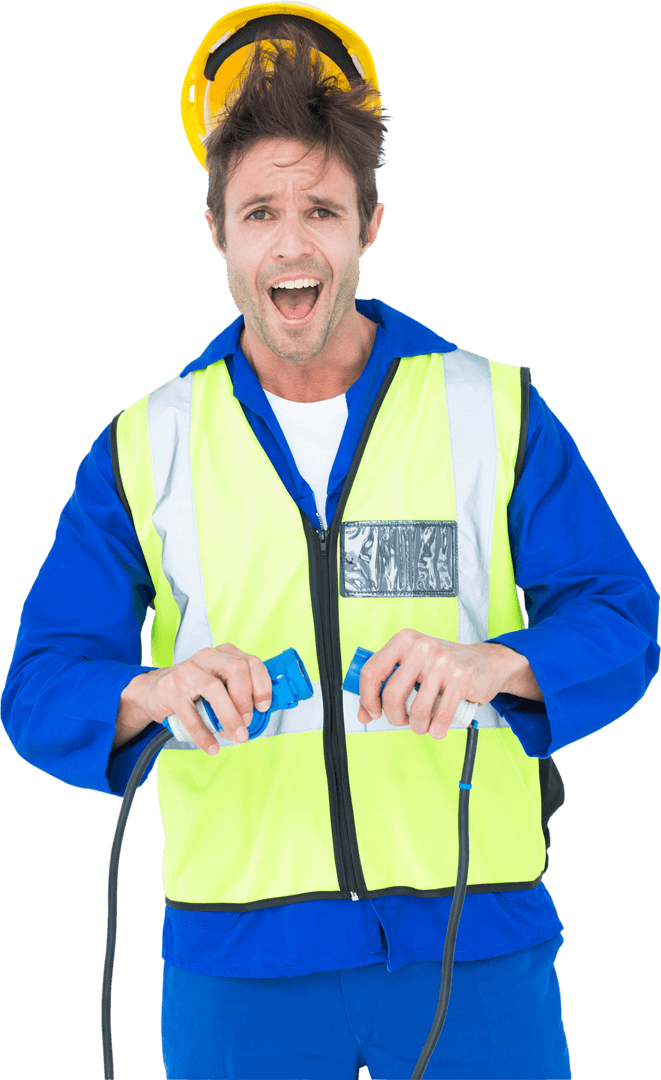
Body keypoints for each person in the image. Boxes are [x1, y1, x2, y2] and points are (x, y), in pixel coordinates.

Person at [2, 6, 659, 1079]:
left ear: (369, 226)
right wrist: (155, 693)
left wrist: (495, 663)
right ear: (217, 232)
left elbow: (622, 617)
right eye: (260, 210)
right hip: (238, 974)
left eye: (322, 208)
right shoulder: (145, 443)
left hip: (474, 948)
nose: (293, 241)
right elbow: (38, 685)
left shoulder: (492, 409)